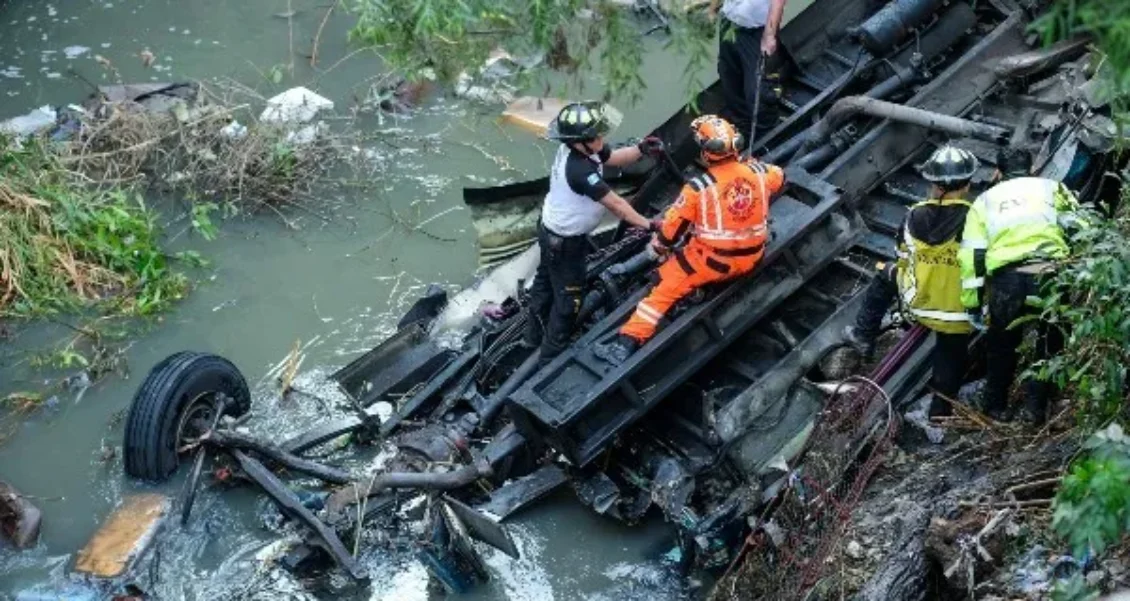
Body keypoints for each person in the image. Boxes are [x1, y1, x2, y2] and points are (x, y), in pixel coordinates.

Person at [594, 115, 783, 365]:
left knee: (663, 289)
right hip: (753, 254)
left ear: (706, 152)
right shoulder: (760, 172)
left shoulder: (698, 188)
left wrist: (658, 248)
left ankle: (625, 344)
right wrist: (748, 165)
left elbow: (670, 234)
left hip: (714, 263)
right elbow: (779, 177)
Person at [843, 145, 979, 418]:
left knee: (887, 270)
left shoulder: (913, 215)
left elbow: (903, 257)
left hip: (919, 306)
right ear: (967, 184)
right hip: (960, 314)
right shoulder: (977, 217)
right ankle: (939, 414)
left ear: (932, 183)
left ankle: (863, 336)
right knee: (951, 356)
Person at [524, 101, 666, 360]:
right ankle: (549, 356)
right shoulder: (579, 170)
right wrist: (650, 225)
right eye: (595, 135)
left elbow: (613, 158)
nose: (601, 138)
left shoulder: (583, 150)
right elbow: (618, 205)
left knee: (544, 283)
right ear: (580, 142)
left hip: (550, 230)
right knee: (568, 302)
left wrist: (641, 149)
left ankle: (532, 338)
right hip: (565, 243)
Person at [958, 147, 1085, 425]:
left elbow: (972, 257)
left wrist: (973, 303)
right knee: (1049, 344)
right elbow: (1079, 226)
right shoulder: (1053, 188)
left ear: (998, 172)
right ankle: (1035, 409)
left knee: (1001, 345)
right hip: (1049, 272)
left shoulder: (984, 201)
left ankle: (996, 408)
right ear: (1031, 168)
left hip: (1007, 279)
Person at [708, 0, 788, 144]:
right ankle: (743, 127)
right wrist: (713, 10)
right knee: (730, 78)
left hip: (756, 32)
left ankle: (768, 135)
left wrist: (769, 36)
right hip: (729, 23)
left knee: (759, 91)